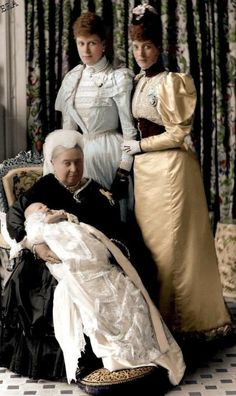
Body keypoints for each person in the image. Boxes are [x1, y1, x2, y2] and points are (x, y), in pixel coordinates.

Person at [1, 130, 185, 391]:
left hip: (94, 259)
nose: (74, 169)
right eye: (67, 163)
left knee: (121, 285)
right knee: (60, 289)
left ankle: (124, 352)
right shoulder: (43, 187)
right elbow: (16, 218)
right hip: (50, 259)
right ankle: (83, 360)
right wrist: (36, 244)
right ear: (53, 164)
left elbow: (112, 230)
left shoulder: (96, 190)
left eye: (78, 162)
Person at [121, 4, 233, 345]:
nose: (141, 53)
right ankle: (157, 318)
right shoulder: (138, 80)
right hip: (146, 174)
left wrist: (140, 148)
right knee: (152, 247)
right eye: (136, 46)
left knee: (173, 248)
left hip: (171, 171)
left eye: (148, 46)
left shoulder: (173, 82)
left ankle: (182, 321)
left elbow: (177, 133)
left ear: (160, 47)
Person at [8, 200, 185, 387]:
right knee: (94, 301)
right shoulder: (39, 223)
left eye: (44, 206)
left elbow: (80, 226)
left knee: (122, 291)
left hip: (92, 257)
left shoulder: (76, 204)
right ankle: (117, 353)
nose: (44, 208)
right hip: (71, 261)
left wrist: (66, 218)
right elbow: (31, 232)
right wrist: (45, 229)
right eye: (39, 208)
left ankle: (141, 345)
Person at [55, 11, 138, 221]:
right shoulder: (72, 78)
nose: (86, 50)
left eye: (91, 43)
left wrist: (124, 170)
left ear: (103, 44)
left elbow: (129, 130)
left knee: (110, 218)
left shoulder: (118, 78)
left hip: (110, 154)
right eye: (81, 43)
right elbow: (68, 132)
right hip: (80, 157)